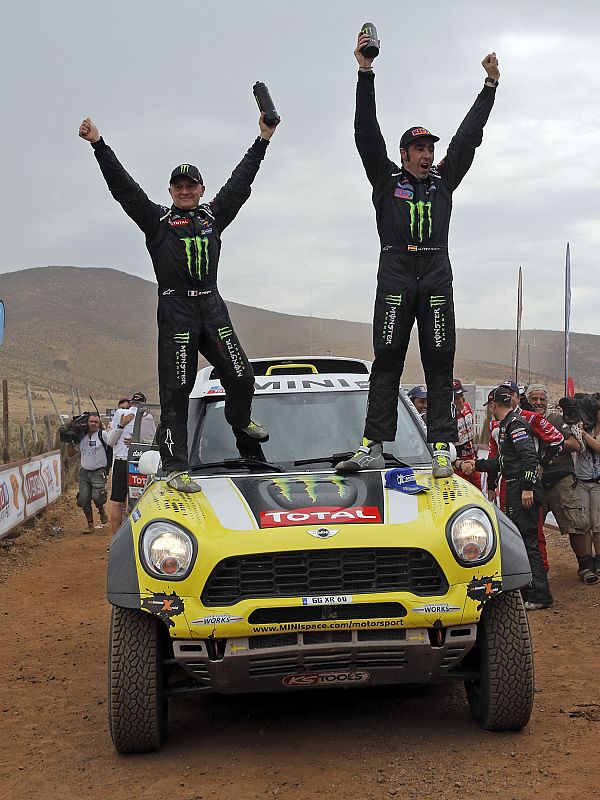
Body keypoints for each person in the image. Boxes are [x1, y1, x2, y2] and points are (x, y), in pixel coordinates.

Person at [79, 111, 279, 492]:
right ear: (170, 190)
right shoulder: (156, 220)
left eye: (191, 185)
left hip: (212, 306)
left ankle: (239, 420)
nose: (184, 191)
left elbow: (240, 183)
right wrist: (99, 145)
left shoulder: (214, 216)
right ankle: (175, 468)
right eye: (178, 186)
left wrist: (262, 140)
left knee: (242, 376)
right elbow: (125, 189)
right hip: (177, 312)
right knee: (177, 390)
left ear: (201, 190)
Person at [336, 30, 500, 477]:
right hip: (395, 268)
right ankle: (372, 443)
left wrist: (488, 88)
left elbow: (468, 138)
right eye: (420, 148)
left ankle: (442, 445)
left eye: (431, 148)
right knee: (387, 357)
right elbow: (365, 133)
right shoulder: (387, 180)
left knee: (439, 358)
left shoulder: (444, 181)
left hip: (435, 270)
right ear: (405, 153)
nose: (428, 154)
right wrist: (365, 72)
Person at [476, 387, 553, 611]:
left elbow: (529, 457)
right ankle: (528, 587)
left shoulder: (515, 424)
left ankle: (540, 593)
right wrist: (475, 465)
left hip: (521, 489)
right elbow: (504, 463)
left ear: (493, 406)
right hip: (513, 486)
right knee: (519, 538)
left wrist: (528, 487)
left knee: (528, 540)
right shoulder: (506, 425)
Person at [527, 384, 597, 584]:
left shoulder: (557, 420)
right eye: (534, 399)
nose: (538, 403)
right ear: (528, 400)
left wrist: (551, 440)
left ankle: (585, 566)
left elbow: (576, 445)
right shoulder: (523, 420)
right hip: (534, 480)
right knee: (532, 527)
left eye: (542, 399)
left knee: (577, 524)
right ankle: (537, 569)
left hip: (562, 479)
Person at [107, 391, 145, 533]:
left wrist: (122, 425)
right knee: (138, 502)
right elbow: (153, 441)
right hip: (139, 462)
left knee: (117, 502)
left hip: (123, 461)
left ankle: (116, 541)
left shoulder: (119, 414)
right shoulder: (147, 416)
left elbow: (110, 441)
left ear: (131, 403)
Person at [66, 413, 110, 534]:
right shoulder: (82, 437)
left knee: (97, 497)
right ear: (87, 423)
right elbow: (70, 453)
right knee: (84, 499)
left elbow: (113, 443)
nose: (94, 424)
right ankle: (90, 525)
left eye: (96, 422)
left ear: (99, 423)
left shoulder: (103, 435)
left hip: (99, 472)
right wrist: (69, 440)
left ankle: (101, 509)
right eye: (92, 421)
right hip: (84, 472)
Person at [572, 402, 600, 582]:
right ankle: (587, 561)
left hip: (598, 483)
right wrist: (579, 430)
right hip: (580, 481)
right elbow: (577, 446)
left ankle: (599, 559)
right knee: (584, 523)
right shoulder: (583, 427)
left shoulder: (585, 432)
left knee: (597, 523)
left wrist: (583, 434)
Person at [452, 379, 481, 489]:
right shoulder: (445, 419)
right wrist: (459, 463)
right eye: (456, 398)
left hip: (473, 463)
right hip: (457, 468)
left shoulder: (468, 408)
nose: (460, 400)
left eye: (461, 395)